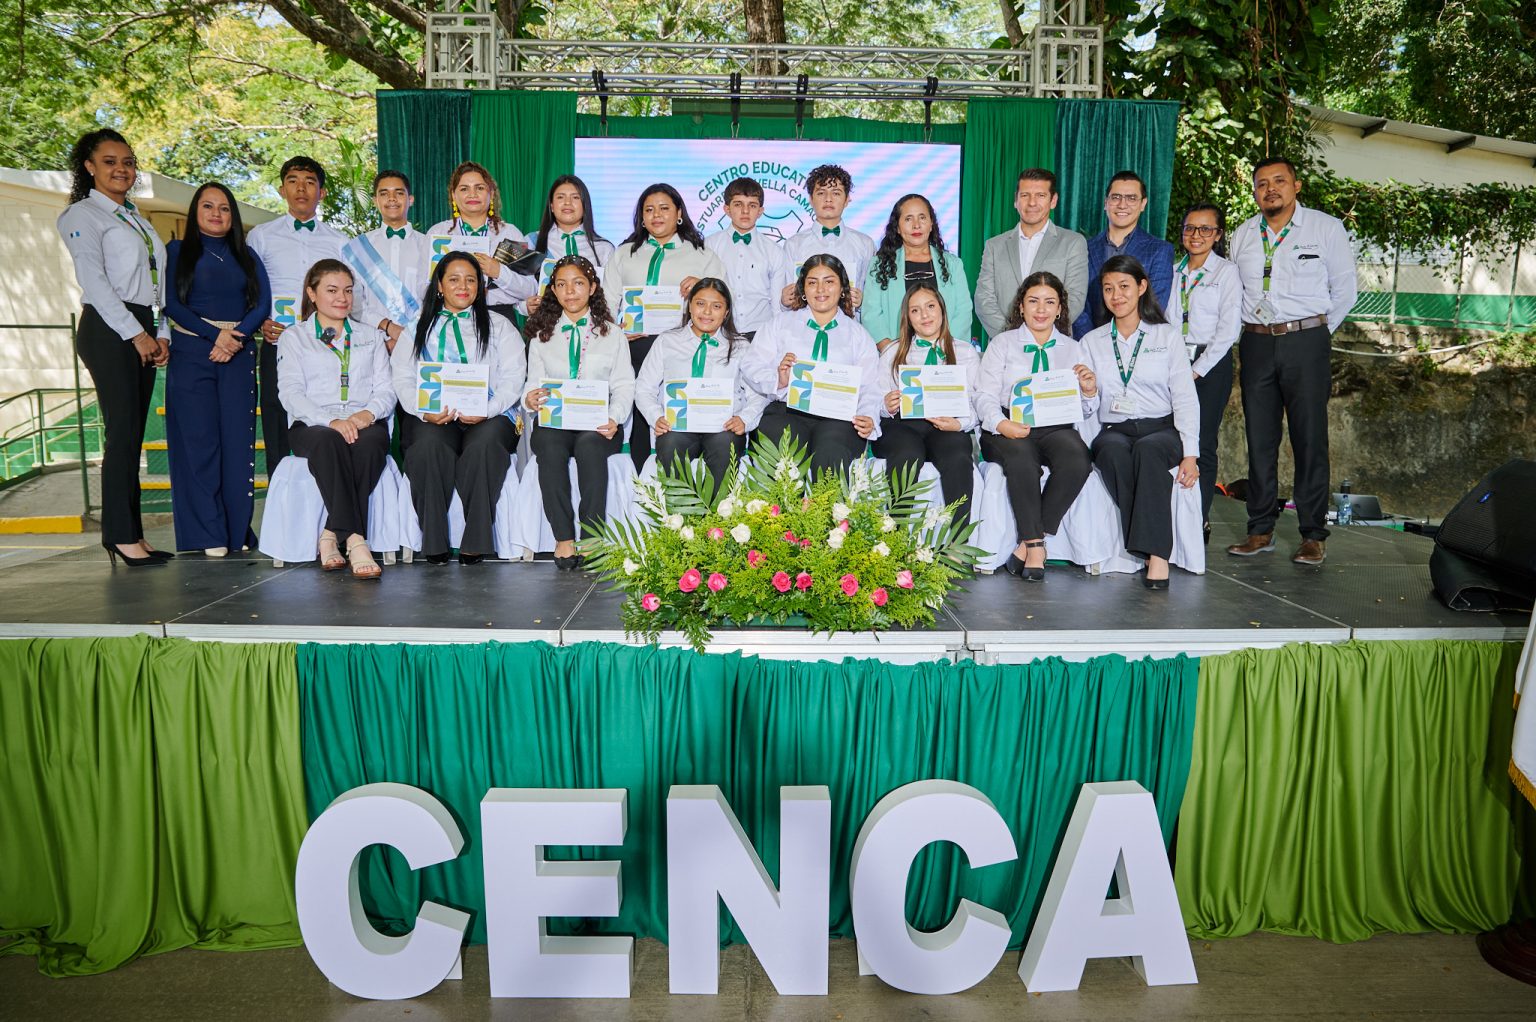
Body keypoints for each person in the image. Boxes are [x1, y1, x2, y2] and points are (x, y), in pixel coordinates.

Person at [1225, 157, 1358, 566]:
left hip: (1306, 341)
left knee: (1309, 438)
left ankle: (1313, 535)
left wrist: (1314, 335)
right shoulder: (1243, 235)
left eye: (1279, 181)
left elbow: (1345, 291)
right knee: (1260, 439)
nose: (1271, 189)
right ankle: (1260, 529)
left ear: (1296, 186)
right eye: (1262, 184)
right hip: (1256, 342)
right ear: (1254, 192)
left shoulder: (1325, 228)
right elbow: (1235, 293)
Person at [57, 128, 172, 566]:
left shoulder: (135, 216)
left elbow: (156, 281)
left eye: (127, 162)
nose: (121, 169)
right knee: (121, 432)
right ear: (89, 167)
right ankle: (120, 535)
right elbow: (94, 281)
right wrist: (135, 333)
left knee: (133, 433)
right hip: (110, 327)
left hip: (143, 322)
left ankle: (132, 533)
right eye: (109, 161)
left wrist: (161, 331)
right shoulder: (82, 215)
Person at [391, 252, 526, 565]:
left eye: (470, 280)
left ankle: (476, 540)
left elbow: (514, 378)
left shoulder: (500, 326)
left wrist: (487, 410)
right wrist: (422, 410)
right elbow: (403, 378)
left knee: (484, 445)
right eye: (454, 279)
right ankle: (434, 540)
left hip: (489, 415)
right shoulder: (417, 328)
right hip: (433, 415)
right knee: (427, 445)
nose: (463, 286)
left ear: (480, 286)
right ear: (440, 285)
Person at [163, 181, 270, 557]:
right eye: (208, 206)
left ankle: (237, 530)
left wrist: (235, 338)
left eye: (224, 208)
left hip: (238, 354)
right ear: (195, 211)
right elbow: (171, 303)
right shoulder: (177, 251)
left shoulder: (247, 254)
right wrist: (216, 336)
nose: (216, 214)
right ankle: (208, 534)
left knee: (238, 445)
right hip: (193, 353)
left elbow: (262, 304)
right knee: (199, 445)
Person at [1079, 255, 1200, 590]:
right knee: (1112, 452)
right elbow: (1087, 408)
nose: (1116, 295)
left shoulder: (1166, 336)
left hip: (1161, 428)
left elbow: (1185, 398)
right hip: (1114, 429)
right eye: (1108, 289)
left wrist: (1191, 454)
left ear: (1142, 287)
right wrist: (1088, 391)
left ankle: (1157, 556)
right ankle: (1149, 546)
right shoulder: (1091, 342)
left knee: (1148, 452)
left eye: (1124, 286)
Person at [972, 271, 1098, 580]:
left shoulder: (1073, 348)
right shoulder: (1002, 344)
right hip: (1007, 424)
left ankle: (1027, 544)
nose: (1041, 310)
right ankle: (1037, 547)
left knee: (1078, 460)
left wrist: (1089, 390)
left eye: (1049, 302)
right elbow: (984, 395)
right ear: (1021, 306)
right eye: (1033, 301)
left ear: (1060, 309)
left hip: (1055, 426)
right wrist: (1002, 424)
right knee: (1022, 458)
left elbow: (1084, 410)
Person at [275, 260, 395, 580]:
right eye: (332, 290)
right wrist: (330, 421)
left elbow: (386, 390)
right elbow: (291, 394)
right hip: (312, 424)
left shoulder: (370, 336)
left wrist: (367, 414)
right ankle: (356, 540)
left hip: (362, 420)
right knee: (329, 442)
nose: (342, 298)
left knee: (371, 445)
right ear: (312, 293)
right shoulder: (294, 337)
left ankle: (329, 535)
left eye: (348, 290)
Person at [602, 183, 725, 473]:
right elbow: (605, 303)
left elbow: (721, 298)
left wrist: (702, 286)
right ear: (641, 217)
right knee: (639, 410)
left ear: (679, 213)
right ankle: (641, 486)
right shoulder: (624, 254)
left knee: (675, 423)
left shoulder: (701, 254)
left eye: (664, 208)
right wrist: (616, 330)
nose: (656, 215)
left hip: (682, 350)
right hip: (633, 346)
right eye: (649, 210)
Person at [525, 256, 634, 570]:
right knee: (548, 446)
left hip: (599, 423)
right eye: (561, 284)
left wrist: (614, 418)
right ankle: (563, 537)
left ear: (593, 287)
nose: (570, 291)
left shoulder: (612, 334)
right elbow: (532, 383)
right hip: (556, 423)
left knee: (589, 446)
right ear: (553, 291)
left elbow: (624, 384)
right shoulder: (542, 335)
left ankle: (592, 536)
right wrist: (530, 399)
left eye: (578, 283)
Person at [248, 155, 352, 474]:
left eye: (310, 182)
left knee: (325, 416)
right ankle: (282, 489)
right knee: (277, 417)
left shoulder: (340, 242)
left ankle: (327, 490)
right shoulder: (261, 236)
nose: (301, 189)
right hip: (278, 342)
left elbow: (350, 294)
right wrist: (260, 321)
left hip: (326, 346)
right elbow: (250, 289)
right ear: (282, 190)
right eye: (293, 181)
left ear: (322, 193)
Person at [743, 254, 883, 478]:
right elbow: (752, 364)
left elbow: (871, 385)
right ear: (802, 289)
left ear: (843, 288)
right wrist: (778, 379)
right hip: (786, 410)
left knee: (831, 451)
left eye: (829, 281)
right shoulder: (780, 324)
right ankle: (782, 502)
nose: (821, 290)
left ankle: (827, 503)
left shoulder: (858, 335)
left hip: (839, 417)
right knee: (782, 448)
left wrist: (868, 415)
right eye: (812, 282)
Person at [636, 278, 767, 497]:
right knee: (670, 444)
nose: (707, 312)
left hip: (722, 428)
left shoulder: (741, 346)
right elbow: (643, 388)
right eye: (700, 304)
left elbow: (758, 393)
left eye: (716, 306)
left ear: (726, 312)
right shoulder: (667, 341)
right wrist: (656, 417)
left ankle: (717, 515)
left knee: (726, 445)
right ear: (689, 306)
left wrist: (744, 419)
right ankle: (678, 515)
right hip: (677, 427)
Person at [874, 283, 979, 524]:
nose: (924, 315)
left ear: (942, 309)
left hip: (947, 425)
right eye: (915, 310)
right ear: (907, 318)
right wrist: (885, 404)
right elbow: (874, 397)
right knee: (906, 454)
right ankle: (896, 537)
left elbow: (977, 402)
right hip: (901, 425)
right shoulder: (892, 352)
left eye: (930, 306)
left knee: (958, 456)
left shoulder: (965, 352)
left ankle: (958, 538)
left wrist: (960, 424)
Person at [1174, 203, 1242, 540]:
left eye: (1205, 229)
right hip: (1174, 361)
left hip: (1210, 365)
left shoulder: (1226, 273)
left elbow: (1228, 330)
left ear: (1217, 235)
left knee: (1201, 442)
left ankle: (1198, 519)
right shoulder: (1173, 271)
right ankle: (1173, 515)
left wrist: (1196, 370)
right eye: (1190, 228)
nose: (1196, 235)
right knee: (1172, 439)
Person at [975, 168, 1090, 338]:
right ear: (1016, 200)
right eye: (1025, 195)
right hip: (1005, 345)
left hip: (1054, 345)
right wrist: (1012, 337)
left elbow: (1075, 298)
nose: (1032, 203)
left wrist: (1041, 335)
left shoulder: (1073, 242)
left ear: (1053, 200)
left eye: (1040, 195)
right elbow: (984, 299)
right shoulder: (994, 246)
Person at [424, 161, 536, 323]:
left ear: (491, 193)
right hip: (448, 317)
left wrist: (498, 272)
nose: (472, 194)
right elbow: (423, 286)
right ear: (454, 195)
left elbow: (530, 289)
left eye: (480, 188)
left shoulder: (508, 234)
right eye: (464, 189)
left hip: (499, 318)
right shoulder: (438, 233)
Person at [863, 194, 973, 350]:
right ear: (897, 227)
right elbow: (871, 313)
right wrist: (892, 352)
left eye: (922, 218)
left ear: (931, 224)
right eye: (908, 219)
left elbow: (963, 311)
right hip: (896, 353)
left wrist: (944, 349)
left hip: (945, 353)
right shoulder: (880, 264)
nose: (916, 225)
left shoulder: (952, 264)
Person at [1072, 171, 1175, 339]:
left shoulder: (1160, 250)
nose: (1122, 205)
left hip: (1137, 345)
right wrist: (1094, 342)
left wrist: (1122, 343)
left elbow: (1153, 306)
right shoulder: (1083, 248)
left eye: (1131, 198)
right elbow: (1077, 303)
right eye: (1116, 197)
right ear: (1106, 203)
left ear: (1143, 204)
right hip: (1089, 343)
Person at [350, 170, 430, 356]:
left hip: (419, 342)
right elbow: (354, 302)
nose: (392, 198)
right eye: (384, 193)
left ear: (411, 200)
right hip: (370, 343)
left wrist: (407, 335)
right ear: (375, 201)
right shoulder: (358, 247)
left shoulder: (427, 245)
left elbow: (433, 296)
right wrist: (387, 327)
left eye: (399, 193)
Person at [780, 164, 876, 312]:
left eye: (836, 193)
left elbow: (874, 297)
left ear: (847, 200)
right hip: (803, 324)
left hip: (850, 324)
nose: (828, 199)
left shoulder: (865, 244)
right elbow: (787, 301)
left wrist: (864, 302)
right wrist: (784, 301)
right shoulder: (793, 244)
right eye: (821, 193)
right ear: (811, 199)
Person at [703, 177, 788, 338]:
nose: (745, 211)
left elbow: (777, 303)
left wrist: (778, 338)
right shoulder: (709, 245)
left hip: (761, 333)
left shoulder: (774, 251)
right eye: (738, 204)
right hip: (719, 332)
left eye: (752, 205)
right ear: (727, 209)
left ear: (760, 211)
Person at [524, 174, 614, 317]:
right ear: (551, 206)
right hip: (544, 325)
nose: (567, 203)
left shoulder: (603, 248)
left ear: (585, 205)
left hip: (592, 326)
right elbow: (519, 286)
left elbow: (611, 295)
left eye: (575, 197)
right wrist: (525, 306)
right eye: (560, 197)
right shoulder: (532, 241)